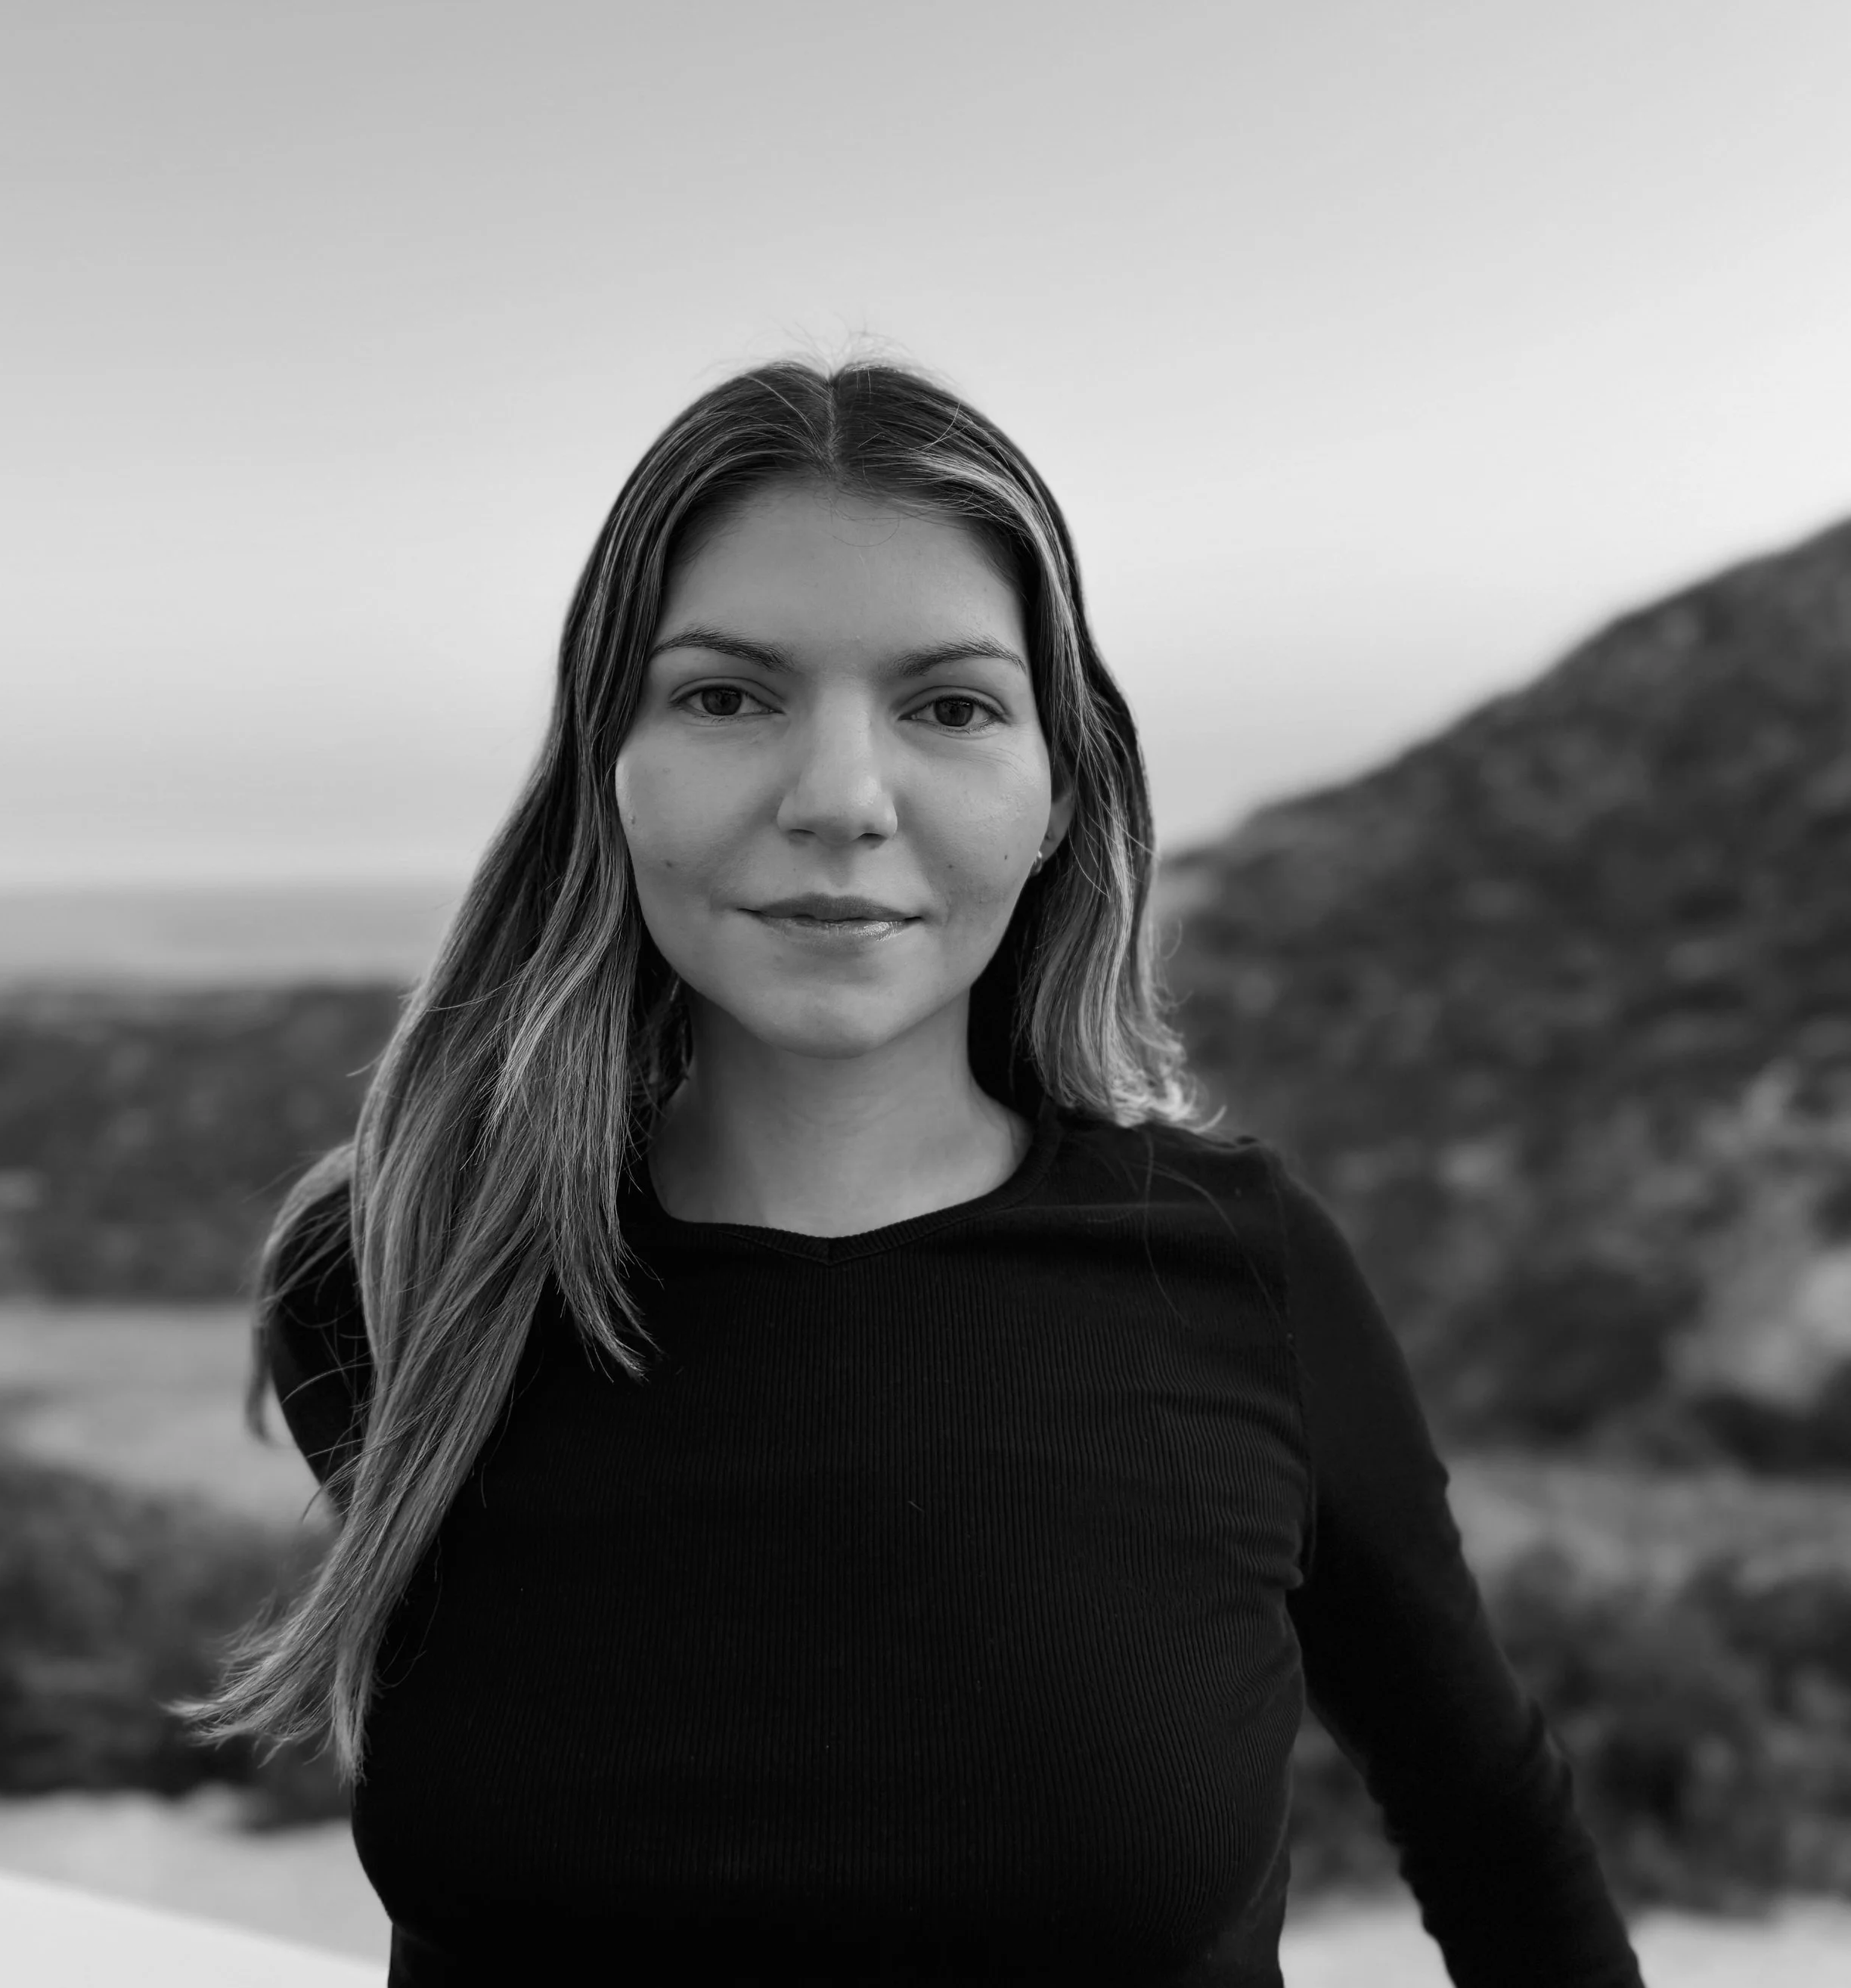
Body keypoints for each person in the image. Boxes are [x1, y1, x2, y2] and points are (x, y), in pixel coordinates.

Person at [170, 356, 1644, 1985]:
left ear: (1054, 791)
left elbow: (1494, 1833)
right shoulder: (401, 1269)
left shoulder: (1238, 1275)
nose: (840, 800)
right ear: (610, 761)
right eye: (727, 694)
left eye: (947, 705)